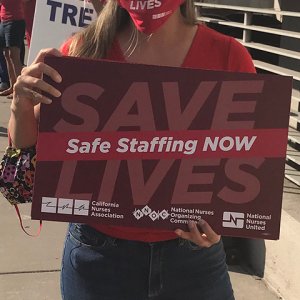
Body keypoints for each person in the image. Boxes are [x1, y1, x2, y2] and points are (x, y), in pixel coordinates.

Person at [9, 0, 256, 299]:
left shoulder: (228, 55)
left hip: (194, 261)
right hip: (97, 257)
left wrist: (224, 219)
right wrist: (20, 105)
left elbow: (248, 159)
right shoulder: (84, 48)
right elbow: (26, 143)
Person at [0, 0, 25, 99]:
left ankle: (20, 89)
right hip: (3, 20)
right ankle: (12, 86)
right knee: (6, 54)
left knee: (14, 55)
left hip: (15, 20)